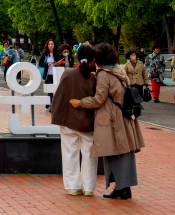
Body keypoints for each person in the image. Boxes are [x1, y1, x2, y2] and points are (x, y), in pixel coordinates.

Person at [70, 43, 145, 200]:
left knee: (115, 152)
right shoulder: (119, 70)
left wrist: (80, 102)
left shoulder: (104, 74)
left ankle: (122, 189)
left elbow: (99, 99)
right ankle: (124, 188)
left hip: (112, 120)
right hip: (125, 118)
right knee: (124, 152)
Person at [51, 44, 98, 196]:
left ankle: (73, 187)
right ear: (93, 60)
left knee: (69, 153)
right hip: (88, 122)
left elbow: (60, 96)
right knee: (90, 154)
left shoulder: (67, 74)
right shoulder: (94, 78)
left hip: (69, 120)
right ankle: (89, 188)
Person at [39, 39, 57, 111]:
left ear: (54, 45)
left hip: (55, 75)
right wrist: (47, 64)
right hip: (48, 75)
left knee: (54, 91)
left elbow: (59, 62)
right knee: (50, 91)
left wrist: (58, 64)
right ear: (47, 45)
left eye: (52, 44)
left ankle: (47, 105)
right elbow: (40, 63)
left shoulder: (56, 54)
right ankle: (50, 106)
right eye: (49, 44)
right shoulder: (44, 54)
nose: (51, 46)